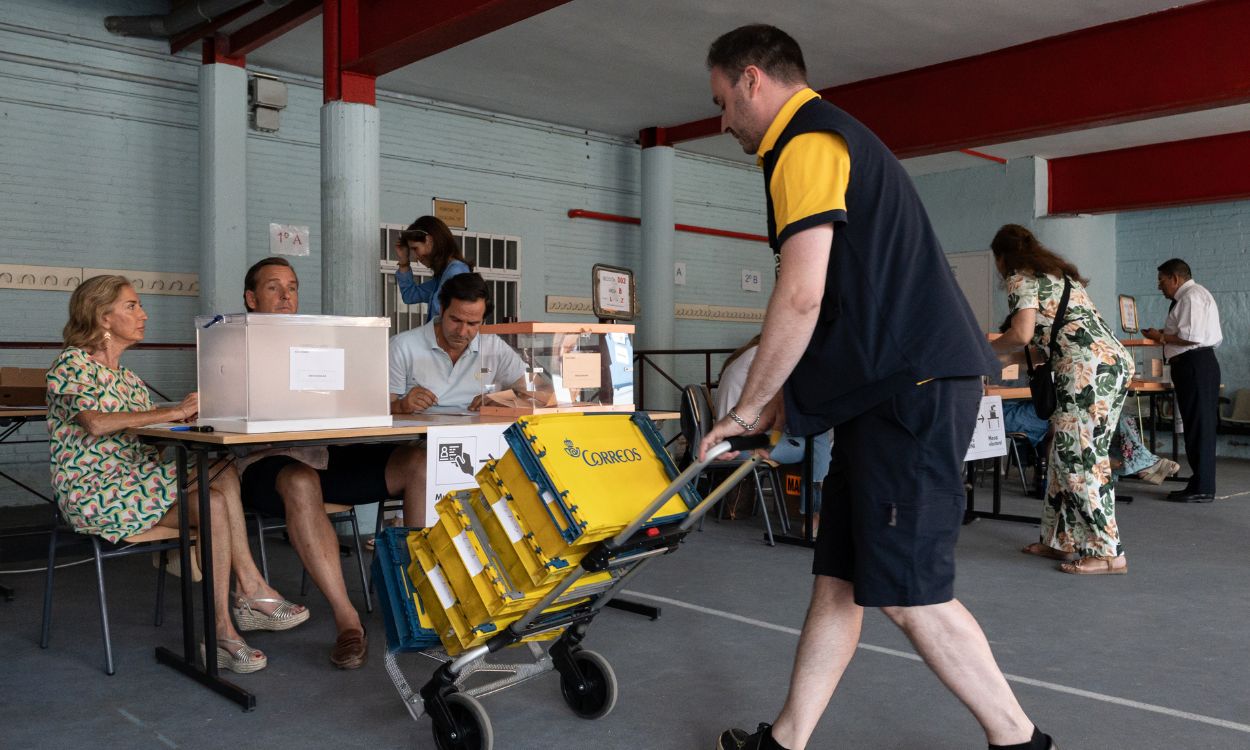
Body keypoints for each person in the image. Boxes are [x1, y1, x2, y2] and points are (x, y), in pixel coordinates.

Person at [698, 26, 1053, 750]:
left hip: (910, 392)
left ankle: (1020, 741)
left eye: (722, 102)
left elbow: (801, 296)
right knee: (839, 579)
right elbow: (835, 303)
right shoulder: (827, 141)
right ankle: (785, 743)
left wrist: (745, 409)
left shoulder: (806, 143)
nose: (722, 121)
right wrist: (779, 406)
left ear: (753, 80)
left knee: (910, 593)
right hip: (885, 391)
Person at [47, 275, 306, 674]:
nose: (143, 315)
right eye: (132, 306)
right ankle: (249, 593)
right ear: (102, 316)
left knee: (217, 486)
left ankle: (226, 626)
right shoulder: (72, 364)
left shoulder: (130, 381)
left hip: (137, 483)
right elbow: (96, 424)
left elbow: (146, 444)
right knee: (216, 482)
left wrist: (189, 422)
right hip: (96, 491)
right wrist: (171, 413)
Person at [238, 257, 425, 669]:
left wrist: (384, 401)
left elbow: (347, 397)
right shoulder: (232, 345)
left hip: (322, 453)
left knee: (418, 460)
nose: (287, 295)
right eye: (274, 287)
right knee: (301, 480)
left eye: (292, 286)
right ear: (252, 299)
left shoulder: (319, 341)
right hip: (262, 464)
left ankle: (415, 596)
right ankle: (348, 620)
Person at [990, 224, 1133, 575]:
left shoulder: (1019, 275)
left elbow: (1021, 333)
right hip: (1109, 364)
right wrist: (999, 358)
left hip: (1086, 372)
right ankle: (1060, 541)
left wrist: (981, 349)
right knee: (1065, 453)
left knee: (1079, 457)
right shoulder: (1059, 278)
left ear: (1002, 257)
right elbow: (1047, 345)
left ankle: (1108, 552)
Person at [388, 272, 529, 525]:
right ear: (441, 309)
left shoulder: (492, 346)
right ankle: (419, 549)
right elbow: (375, 410)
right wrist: (401, 405)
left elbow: (539, 393)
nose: (463, 331)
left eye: (473, 324)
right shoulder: (404, 346)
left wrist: (503, 398)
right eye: (455, 320)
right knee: (429, 465)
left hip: (481, 444)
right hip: (421, 445)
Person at [715, 335, 832, 530]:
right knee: (816, 438)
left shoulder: (746, 357)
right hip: (744, 444)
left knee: (815, 440)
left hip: (732, 439)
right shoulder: (765, 359)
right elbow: (785, 408)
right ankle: (813, 516)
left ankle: (815, 510)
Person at [1143, 258, 1222, 502]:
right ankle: (1201, 482)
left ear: (1175, 279)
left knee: (1199, 426)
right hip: (1197, 364)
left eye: (1161, 280)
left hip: (1194, 364)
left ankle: (1203, 488)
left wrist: (1162, 337)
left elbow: (1192, 337)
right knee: (1199, 425)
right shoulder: (1194, 296)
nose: (1159, 286)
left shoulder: (1190, 297)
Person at [1002, 398, 1179, 485]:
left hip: (1041, 404)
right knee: (1070, 425)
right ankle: (1133, 464)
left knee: (1118, 416)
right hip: (1007, 407)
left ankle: (1135, 462)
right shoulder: (1009, 353)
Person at [394, 215, 471, 319]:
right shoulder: (443, 275)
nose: (415, 256)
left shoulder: (456, 272)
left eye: (415, 249)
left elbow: (449, 319)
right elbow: (410, 296)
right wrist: (404, 261)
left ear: (429, 240)